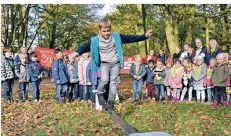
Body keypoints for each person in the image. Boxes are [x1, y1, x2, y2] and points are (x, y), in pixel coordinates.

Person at [74, 18, 152, 110]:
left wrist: (144, 36)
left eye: (108, 31)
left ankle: (111, 102)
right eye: (104, 31)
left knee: (113, 82)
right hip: (104, 63)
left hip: (115, 63)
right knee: (105, 80)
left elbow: (130, 38)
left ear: (111, 29)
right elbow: (85, 46)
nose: (106, 33)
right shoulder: (95, 40)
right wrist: (77, 52)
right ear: (99, 30)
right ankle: (100, 94)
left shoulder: (116, 37)